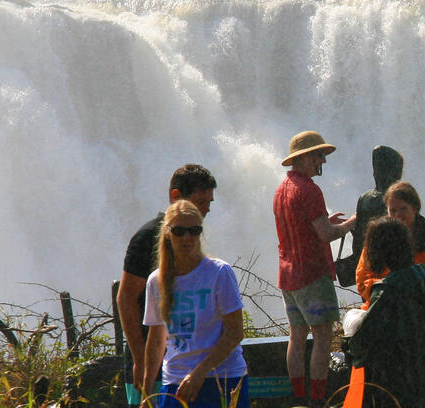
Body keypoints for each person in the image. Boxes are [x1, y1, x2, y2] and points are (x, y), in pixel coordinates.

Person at [118, 164, 216, 408]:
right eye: (201, 201)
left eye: (209, 203)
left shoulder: (189, 238)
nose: (206, 209)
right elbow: (126, 298)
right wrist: (140, 359)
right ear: (176, 196)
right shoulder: (148, 237)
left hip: (181, 361)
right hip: (149, 359)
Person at [273, 130, 357, 407]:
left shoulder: (281, 189)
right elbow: (326, 234)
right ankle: (318, 400)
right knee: (322, 336)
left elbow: (302, 224)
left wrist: (325, 220)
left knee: (296, 336)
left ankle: (298, 398)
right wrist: (350, 224)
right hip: (312, 274)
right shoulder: (310, 189)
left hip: (288, 275)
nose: (323, 160)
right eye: (319, 155)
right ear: (305, 158)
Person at [140, 200, 247, 408]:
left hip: (222, 379)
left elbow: (235, 332)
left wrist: (199, 372)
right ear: (168, 233)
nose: (187, 238)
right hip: (175, 382)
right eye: (180, 231)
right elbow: (156, 341)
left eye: (194, 230)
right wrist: (147, 394)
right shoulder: (156, 280)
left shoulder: (219, 273)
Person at [346, 217, 425, 408]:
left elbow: (362, 342)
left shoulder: (387, 291)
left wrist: (350, 327)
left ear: (379, 250)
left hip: (397, 388)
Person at [355, 181, 425, 333]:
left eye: (403, 209)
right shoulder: (377, 242)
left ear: (415, 209)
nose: (397, 216)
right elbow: (362, 276)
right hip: (382, 321)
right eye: (392, 210)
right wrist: (387, 295)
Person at [345, 146, 404, 286]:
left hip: (367, 270)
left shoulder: (364, 198)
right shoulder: (398, 199)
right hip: (392, 273)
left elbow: (358, 239)